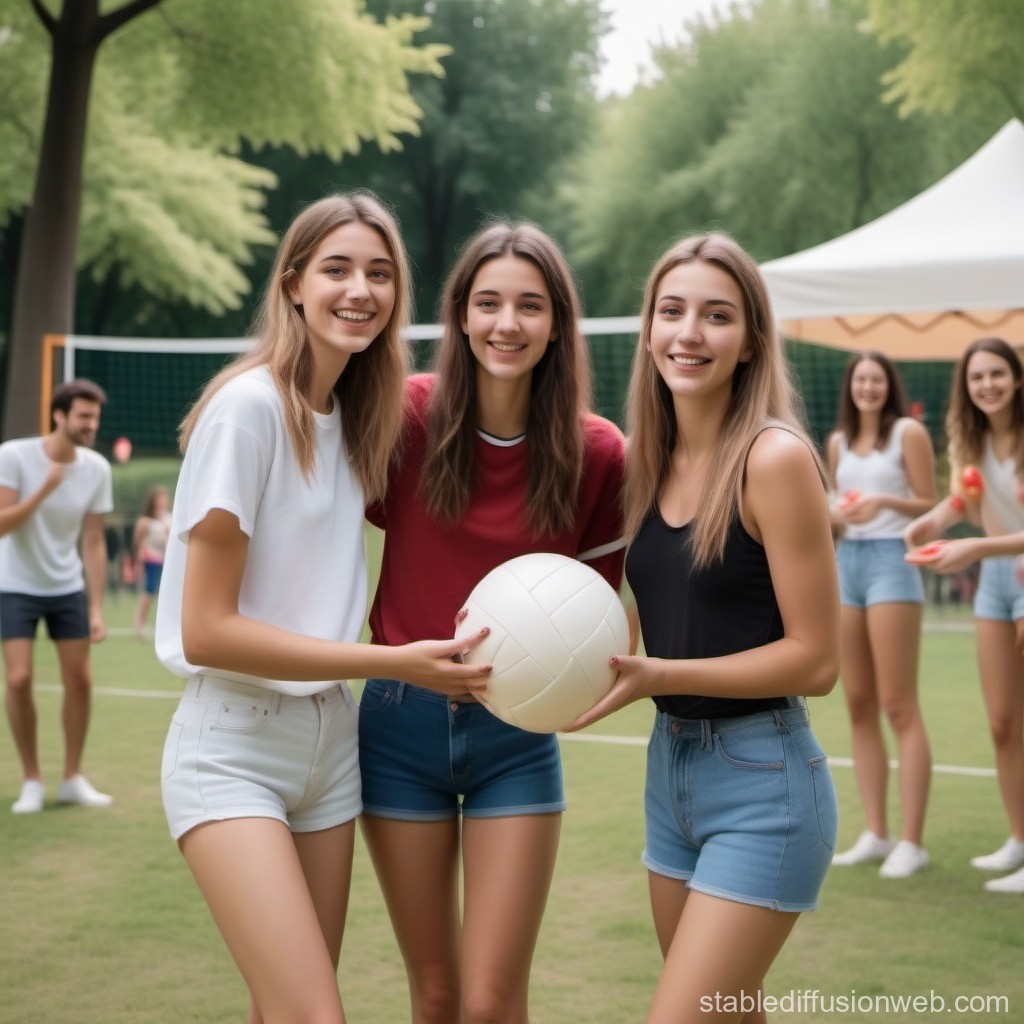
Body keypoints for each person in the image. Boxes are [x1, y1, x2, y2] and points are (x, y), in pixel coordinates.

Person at [155, 192, 491, 1024]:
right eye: (337, 269)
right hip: (232, 747)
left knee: (285, 1008)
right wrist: (396, 662)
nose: (360, 291)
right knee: (315, 1014)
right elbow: (209, 630)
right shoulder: (247, 411)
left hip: (329, 748)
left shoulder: (356, 420)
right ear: (293, 283)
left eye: (380, 274)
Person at [564, 232, 840, 1024]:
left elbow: (815, 659)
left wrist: (661, 675)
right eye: (673, 311)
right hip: (672, 777)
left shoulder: (773, 457)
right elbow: (647, 617)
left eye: (716, 316)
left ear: (751, 340)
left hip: (765, 783)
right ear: (648, 329)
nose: (690, 334)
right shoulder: (644, 465)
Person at [358, 220, 626, 1024]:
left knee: (492, 1001)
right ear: (461, 316)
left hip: (519, 737)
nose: (508, 323)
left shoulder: (600, 452)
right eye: (488, 303)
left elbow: (603, 619)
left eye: (530, 306)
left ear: (557, 325)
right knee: (435, 996)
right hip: (396, 729)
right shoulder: (402, 417)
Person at [904, 336, 1024, 895]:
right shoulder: (972, 441)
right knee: (1002, 722)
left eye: (997, 374)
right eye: (977, 378)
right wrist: (930, 523)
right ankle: (1019, 840)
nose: (988, 386)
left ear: (1017, 378)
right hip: (998, 581)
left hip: (1007, 566)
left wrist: (975, 548)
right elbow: (965, 501)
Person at [827, 351, 937, 878]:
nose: (867, 387)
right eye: (859, 379)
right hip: (845, 563)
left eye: (875, 379)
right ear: (850, 387)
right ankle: (876, 831)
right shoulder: (837, 443)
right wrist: (838, 511)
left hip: (893, 560)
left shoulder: (907, 433)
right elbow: (829, 506)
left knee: (898, 704)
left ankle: (912, 842)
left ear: (887, 384)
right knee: (859, 703)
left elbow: (930, 502)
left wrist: (881, 503)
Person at [0, 379, 114, 814]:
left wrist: (97, 607)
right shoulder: (14, 456)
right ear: (59, 416)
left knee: (81, 680)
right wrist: (44, 490)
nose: (91, 425)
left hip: (67, 587)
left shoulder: (96, 468)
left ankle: (71, 778)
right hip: (14, 584)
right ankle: (31, 779)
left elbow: (93, 542)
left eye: (95, 417)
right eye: (84, 416)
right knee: (18, 679)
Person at [131, 485, 172, 637]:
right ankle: (139, 624)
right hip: (150, 560)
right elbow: (138, 543)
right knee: (148, 593)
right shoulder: (145, 521)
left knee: (164, 594)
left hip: (164, 561)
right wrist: (138, 563)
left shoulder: (168, 518)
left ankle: (161, 626)